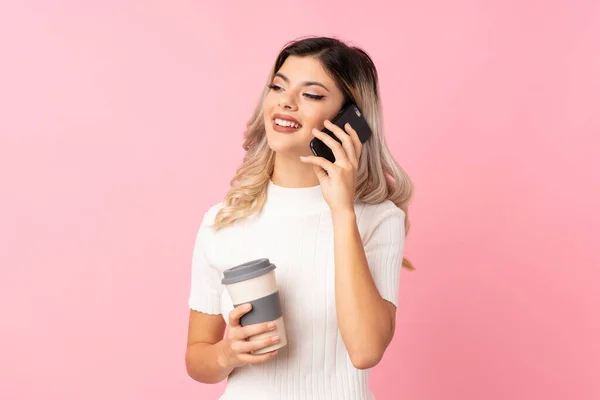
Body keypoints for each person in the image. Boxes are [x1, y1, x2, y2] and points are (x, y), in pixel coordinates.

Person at [185, 36, 414, 400]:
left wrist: (341, 210)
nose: (285, 102)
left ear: (349, 120)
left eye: (311, 94)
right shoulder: (222, 220)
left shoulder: (376, 220)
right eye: (277, 86)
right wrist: (228, 353)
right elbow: (197, 358)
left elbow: (366, 351)